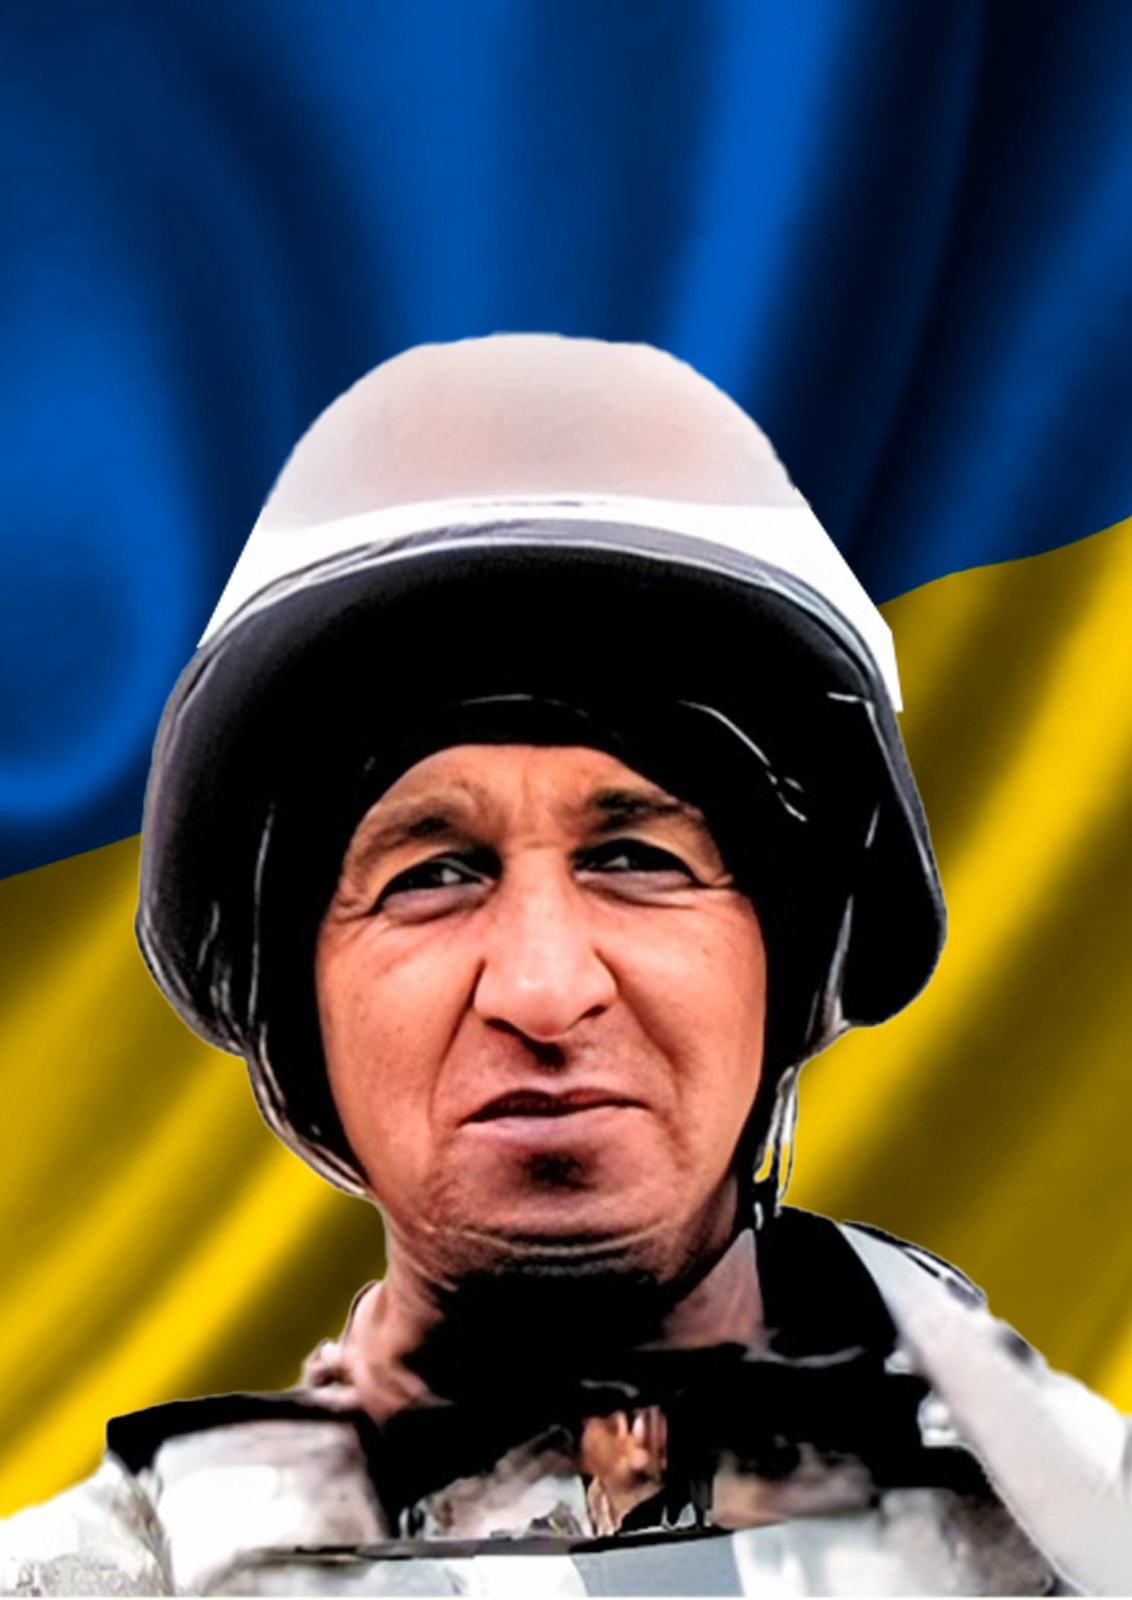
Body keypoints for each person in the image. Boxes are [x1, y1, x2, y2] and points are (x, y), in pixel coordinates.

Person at [2, 335, 1130, 1595]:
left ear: (784, 959)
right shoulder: (103, 1578)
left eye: (638, 858)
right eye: (430, 874)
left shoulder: (1077, 1533)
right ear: (303, 1008)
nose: (543, 992)